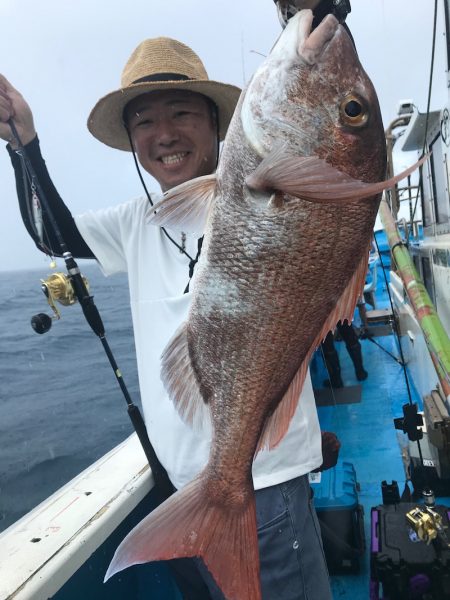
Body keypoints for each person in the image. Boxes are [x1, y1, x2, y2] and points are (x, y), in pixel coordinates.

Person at [0, 6, 346, 598]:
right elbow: (50, 233)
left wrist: (324, 15)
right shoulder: (136, 222)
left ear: (219, 125)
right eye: (144, 121)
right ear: (131, 140)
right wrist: (22, 143)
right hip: (189, 493)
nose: (163, 134)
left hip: (266, 485)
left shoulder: (276, 184)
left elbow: (323, 125)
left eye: (182, 112)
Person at [322, 320, 368, 389]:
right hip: (339, 310)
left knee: (327, 344)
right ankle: (360, 373)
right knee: (349, 335)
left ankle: (336, 381)